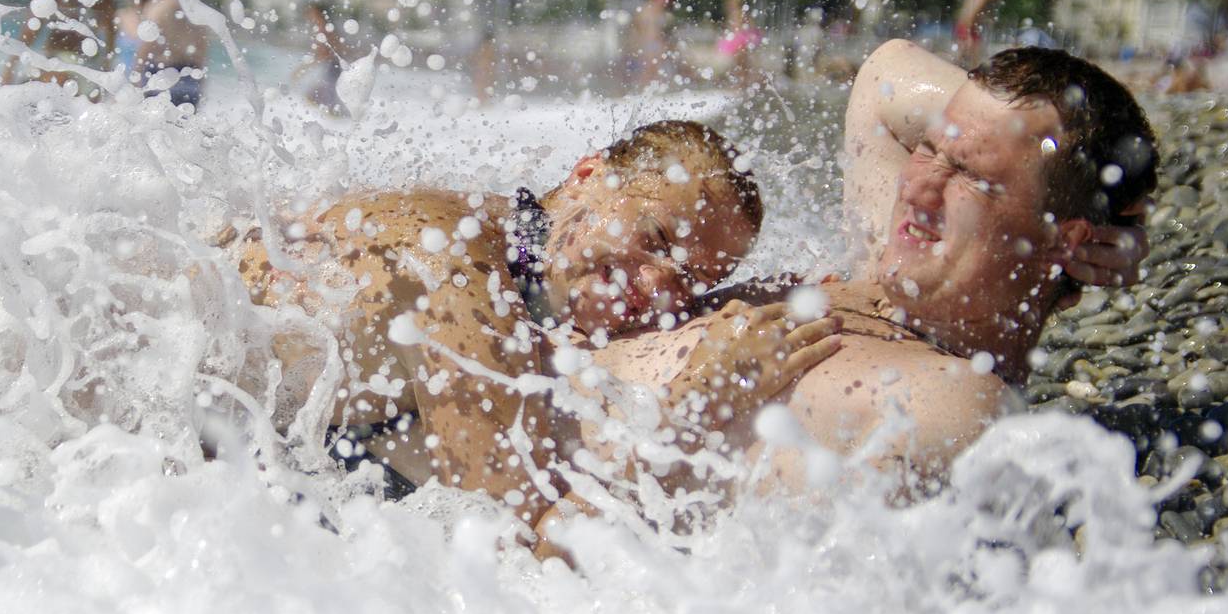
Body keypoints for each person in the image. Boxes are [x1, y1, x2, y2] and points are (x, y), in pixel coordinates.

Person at [580, 41, 1158, 506]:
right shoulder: (894, 267)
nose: (919, 189)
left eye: (973, 177)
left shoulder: (941, 403)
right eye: (929, 147)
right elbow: (888, 70)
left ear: (1063, 238)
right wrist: (1107, 203)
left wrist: (691, 407)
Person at [234, 120, 843, 549]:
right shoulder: (457, 269)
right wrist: (695, 404)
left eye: (692, 280)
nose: (661, 285)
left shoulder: (520, 264)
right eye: (657, 238)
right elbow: (507, 543)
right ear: (586, 176)